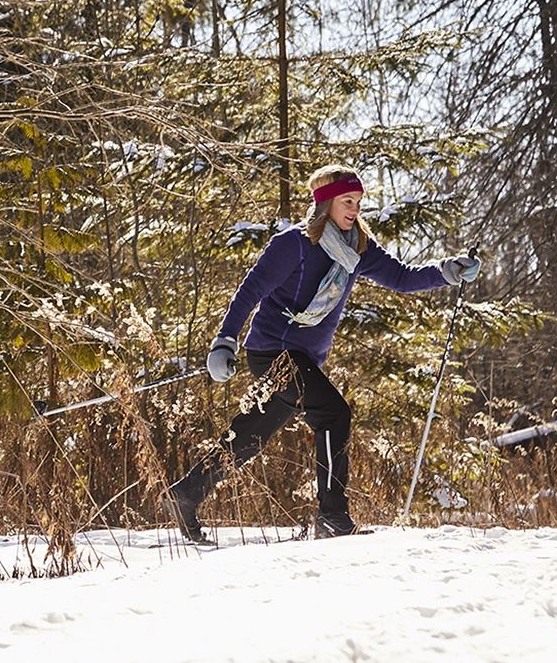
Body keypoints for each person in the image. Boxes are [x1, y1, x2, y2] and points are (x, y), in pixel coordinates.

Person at [163, 164, 481, 543]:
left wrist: (447, 270)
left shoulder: (357, 248)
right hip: (272, 351)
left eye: (359, 202)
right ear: (325, 202)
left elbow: (401, 278)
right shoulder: (294, 244)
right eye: (347, 201)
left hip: (304, 360)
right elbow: (250, 291)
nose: (354, 209)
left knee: (251, 435)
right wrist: (224, 341)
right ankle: (332, 516)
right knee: (333, 413)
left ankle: (186, 493)